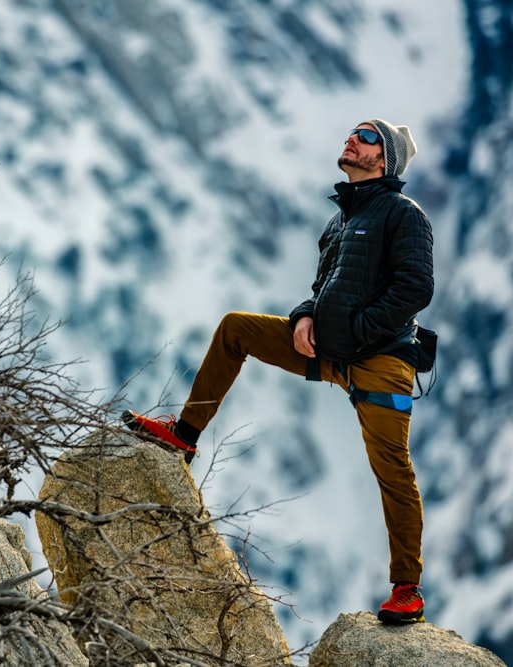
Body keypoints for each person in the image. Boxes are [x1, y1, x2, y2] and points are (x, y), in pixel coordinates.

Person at [122, 119, 434, 624]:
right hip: (329, 349)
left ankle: (407, 589)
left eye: (368, 137)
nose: (352, 139)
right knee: (236, 329)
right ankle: (184, 435)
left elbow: (415, 288)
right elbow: (323, 287)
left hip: (380, 360)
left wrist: (357, 330)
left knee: (392, 469)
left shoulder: (403, 214)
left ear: (385, 159)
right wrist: (303, 316)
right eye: (353, 133)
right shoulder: (340, 220)